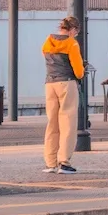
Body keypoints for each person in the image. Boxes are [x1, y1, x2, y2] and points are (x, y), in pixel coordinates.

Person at [42, 16, 84, 174]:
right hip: (66, 83)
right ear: (73, 30)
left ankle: (50, 162)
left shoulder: (48, 41)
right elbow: (79, 72)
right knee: (67, 123)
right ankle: (64, 162)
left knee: (52, 123)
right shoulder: (71, 43)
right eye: (76, 32)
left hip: (50, 84)